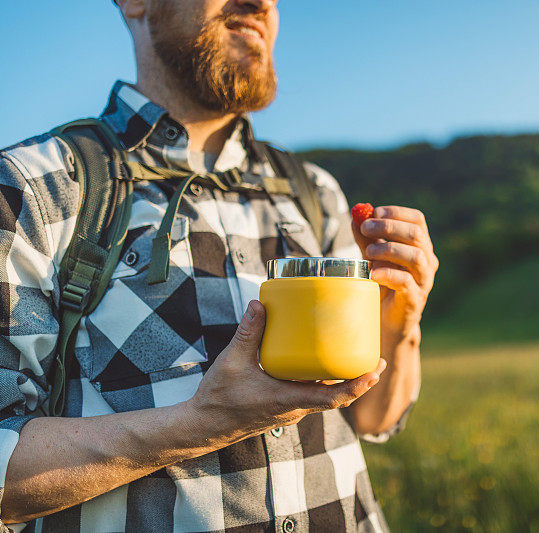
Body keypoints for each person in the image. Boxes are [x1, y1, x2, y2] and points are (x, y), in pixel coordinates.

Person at [0, 0, 438, 531]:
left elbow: (372, 417)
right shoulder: (31, 189)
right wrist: (202, 424)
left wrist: (403, 325)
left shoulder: (314, 192)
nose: (263, 4)